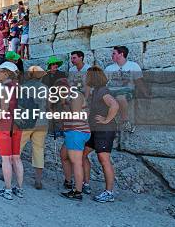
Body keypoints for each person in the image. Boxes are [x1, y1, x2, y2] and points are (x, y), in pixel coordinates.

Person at [83, 66, 120, 203]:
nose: (85, 78)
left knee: (104, 160)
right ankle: (85, 184)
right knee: (83, 153)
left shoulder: (103, 91)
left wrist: (106, 120)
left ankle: (109, 192)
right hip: (95, 129)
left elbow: (115, 105)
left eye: (87, 76)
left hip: (104, 130)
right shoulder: (97, 91)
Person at [0, 62, 24, 200]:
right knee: (17, 158)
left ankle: (8, 190)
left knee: (6, 159)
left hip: (5, 125)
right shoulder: (19, 87)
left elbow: (3, 109)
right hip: (18, 125)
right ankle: (20, 189)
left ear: (6, 72)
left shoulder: (4, 88)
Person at [57, 78, 91, 201]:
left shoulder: (75, 96)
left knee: (76, 162)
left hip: (76, 131)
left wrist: (63, 106)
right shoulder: (71, 96)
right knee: (64, 155)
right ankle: (68, 181)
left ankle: (77, 192)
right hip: (74, 131)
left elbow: (75, 115)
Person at [104, 45, 149, 132]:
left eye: (114, 53)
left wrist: (145, 93)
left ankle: (126, 122)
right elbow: (103, 83)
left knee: (120, 97)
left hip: (126, 91)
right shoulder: (109, 68)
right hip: (111, 92)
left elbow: (139, 81)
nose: (111, 56)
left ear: (121, 54)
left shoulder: (133, 66)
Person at [18, 65, 48, 189]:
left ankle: (7, 173)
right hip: (42, 121)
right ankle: (38, 180)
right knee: (39, 150)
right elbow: (48, 105)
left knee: (17, 148)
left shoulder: (23, 87)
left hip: (27, 121)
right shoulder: (45, 88)